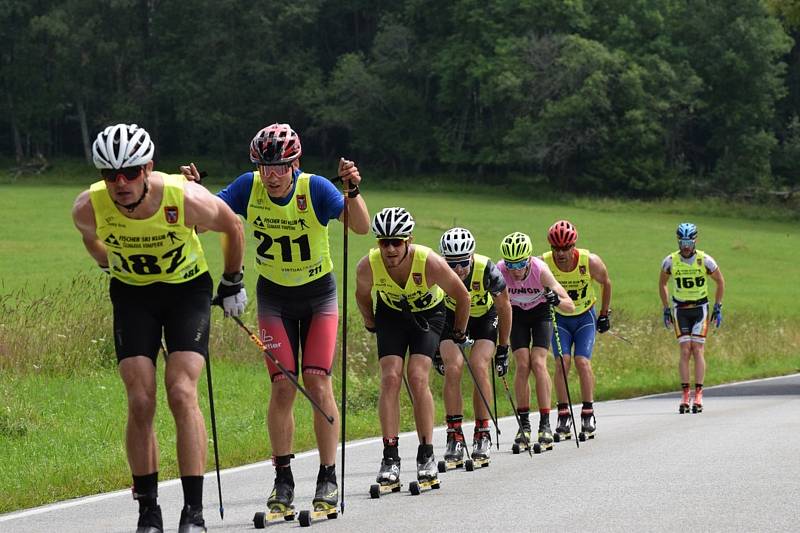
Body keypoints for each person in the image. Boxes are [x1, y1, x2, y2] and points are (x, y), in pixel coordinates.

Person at [183, 122, 369, 513]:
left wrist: (353, 189)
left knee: (317, 382)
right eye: (264, 166)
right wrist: (193, 193)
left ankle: (328, 476)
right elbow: (199, 223)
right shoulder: (246, 187)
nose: (271, 175)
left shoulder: (315, 187)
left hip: (319, 296)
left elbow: (361, 226)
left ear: (295, 163)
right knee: (284, 386)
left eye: (279, 166)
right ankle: (282, 480)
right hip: (273, 298)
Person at [72, 123, 246, 533]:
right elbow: (90, 238)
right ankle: (148, 512)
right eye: (109, 175)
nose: (120, 183)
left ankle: (194, 511)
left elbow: (233, 227)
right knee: (139, 399)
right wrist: (107, 263)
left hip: (186, 291)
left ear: (149, 167)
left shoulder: (184, 197)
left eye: (130, 172)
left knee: (181, 391)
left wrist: (233, 281)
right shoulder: (88, 206)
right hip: (133, 295)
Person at [355, 208, 470, 488]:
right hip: (391, 314)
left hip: (428, 316)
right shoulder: (367, 266)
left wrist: (459, 331)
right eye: (384, 243)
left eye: (397, 242)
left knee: (418, 377)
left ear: (409, 240)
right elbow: (362, 296)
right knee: (391, 377)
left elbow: (462, 296)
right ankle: (390, 457)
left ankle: (426, 454)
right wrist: (370, 322)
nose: (391, 249)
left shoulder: (429, 261)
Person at [434, 227, 511, 464]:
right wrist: (434, 349)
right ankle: (454, 435)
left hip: (483, 318)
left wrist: (503, 348)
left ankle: (482, 432)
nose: (458, 269)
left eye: (463, 263)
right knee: (454, 367)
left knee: (478, 365)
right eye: (452, 263)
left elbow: (504, 307)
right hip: (451, 316)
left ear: (472, 256)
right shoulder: (435, 267)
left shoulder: (487, 269)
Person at [497, 232, 574, 449]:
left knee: (538, 363)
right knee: (522, 364)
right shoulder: (500, 270)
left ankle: (545, 424)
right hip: (517, 315)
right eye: (511, 264)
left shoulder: (540, 270)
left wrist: (556, 299)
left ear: (529, 259)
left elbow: (570, 305)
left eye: (520, 263)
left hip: (540, 313)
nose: (515, 270)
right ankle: (524, 425)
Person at [541, 220, 612, 439]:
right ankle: (563, 414)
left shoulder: (589, 261)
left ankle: (588, 412)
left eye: (566, 248)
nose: (561, 253)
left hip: (584, 317)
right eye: (556, 248)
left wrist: (604, 314)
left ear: (574, 246)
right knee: (562, 362)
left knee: (582, 361)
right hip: (560, 319)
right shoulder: (543, 263)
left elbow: (606, 283)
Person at [659, 222, 725, 413]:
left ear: (695, 240)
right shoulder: (670, 261)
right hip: (680, 309)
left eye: (689, 241)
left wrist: (718, 307)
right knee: (685, 350)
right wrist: (666, 308)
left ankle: (699, 394)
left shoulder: (705, 260)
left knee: (697, 349)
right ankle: (685, 394)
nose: (686, 245)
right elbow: (662, 284)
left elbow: (720, 281)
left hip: (700, 309)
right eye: (682, 241)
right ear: (678, 240)